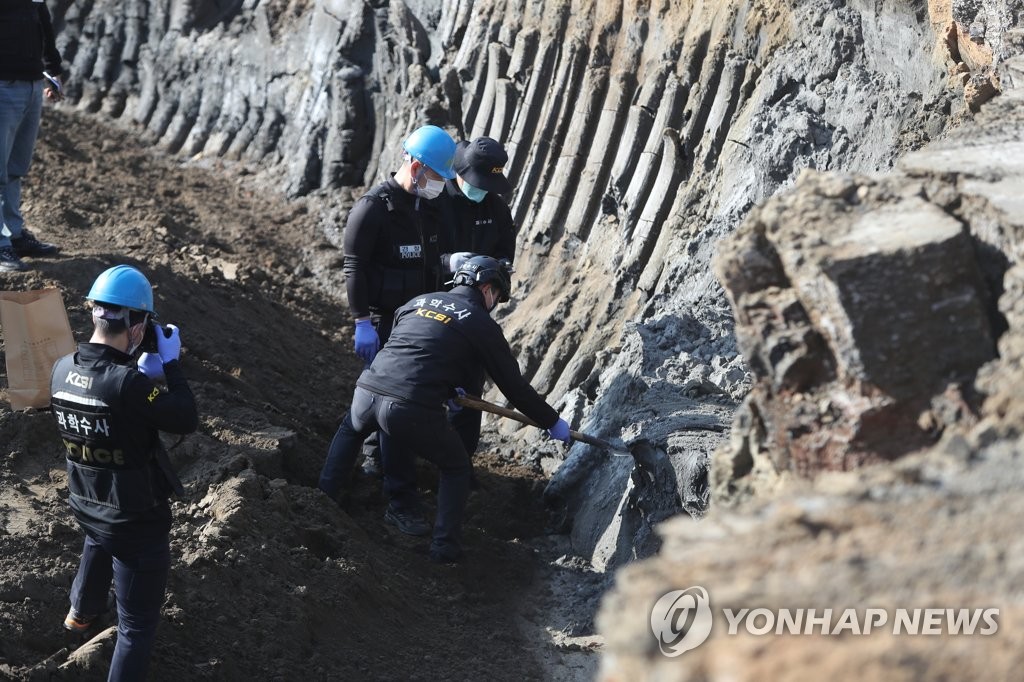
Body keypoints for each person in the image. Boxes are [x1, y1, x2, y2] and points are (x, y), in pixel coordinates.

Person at [318, 255, 571, 563]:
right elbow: (514, 388)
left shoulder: (417, 302)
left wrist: (449, 388)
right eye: (497, 297)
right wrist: (551, 421)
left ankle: (321, 500)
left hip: (367, 391)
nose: (495, 304)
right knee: (455, 466)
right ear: (487, 288)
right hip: (409, 406)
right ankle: (444, 549)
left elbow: (415, 352)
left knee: (351, 430)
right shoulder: (481, 324)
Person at [50, 265, 198, 681]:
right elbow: (185, 417)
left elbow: (106, 405)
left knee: (98, 536)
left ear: (95, 314)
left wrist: (138, 379)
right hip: (134, 520)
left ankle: (79, 614)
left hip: (86, 501)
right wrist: (169, 367)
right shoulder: (128, 386)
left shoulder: (60, 369)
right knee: (137, 626)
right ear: (136, 325)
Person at [342, 124, 457, 478]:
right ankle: (372, 468)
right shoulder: (373, 209)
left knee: (408, 397)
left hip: (419, 321)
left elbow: (430, 261)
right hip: (384, 320)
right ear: (417, 167)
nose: (440, 184)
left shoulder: (431, 210)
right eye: (437, 176)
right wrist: (361, 321)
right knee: (380, 397)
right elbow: (354, 266)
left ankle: (391, 463)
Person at [439, 136, 517, 460]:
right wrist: (448, 261)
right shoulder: (437, 200)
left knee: (469, 385)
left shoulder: (495, 206)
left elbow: (506, 251)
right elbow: (415, 251)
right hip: (432, 303)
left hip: (474, 312)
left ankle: (460, 461)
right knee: (422, 382)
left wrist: (495, 269)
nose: (482, 189)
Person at [0, 0, 65, 272]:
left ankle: (14, 235)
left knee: (15, 167)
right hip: (3, 85)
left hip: (31, 84)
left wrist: (53, 70)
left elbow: (43, 23)